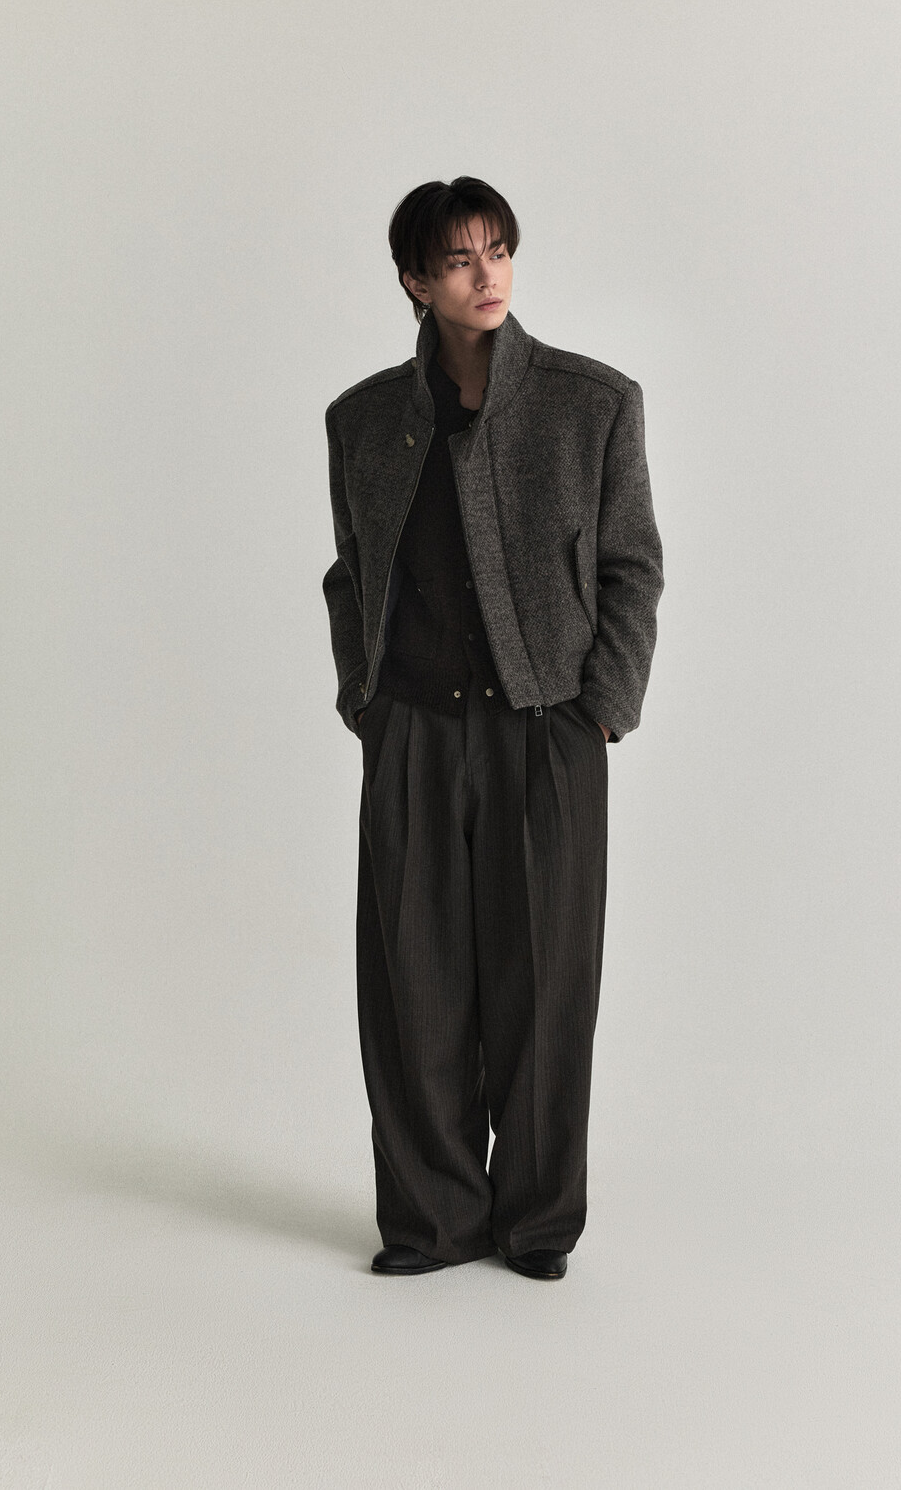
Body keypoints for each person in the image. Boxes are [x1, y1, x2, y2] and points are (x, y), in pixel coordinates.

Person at [322, 176, 663, 1280]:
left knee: (545, 985)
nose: (488, 275)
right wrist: (365, 699)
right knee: (410, 985)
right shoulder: (363, 419)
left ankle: (535, 1223)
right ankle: (431, 1220)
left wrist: (599, 711)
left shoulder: (590, 403)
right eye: (461, 259)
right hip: (413, 732)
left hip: (545, 733)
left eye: (500, 250)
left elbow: (632, 568)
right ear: (415, 281)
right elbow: (351, 572)